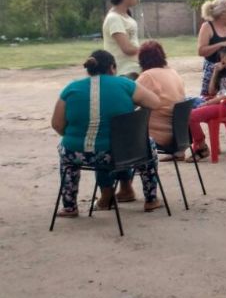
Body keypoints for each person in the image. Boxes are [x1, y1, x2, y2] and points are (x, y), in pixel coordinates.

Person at [51, 50, 163, 217]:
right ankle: (151, 198)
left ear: (89, 69)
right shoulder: (124, 84)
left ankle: (69, 206)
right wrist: (133, 116)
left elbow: (57, 124)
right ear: (112, 67)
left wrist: (78, 137)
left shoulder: (71, 88)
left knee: (69, 156)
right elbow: (155, 102)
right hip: (118, 153)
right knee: (145, 144)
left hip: (75, 152)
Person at [136, 40, 187, 159]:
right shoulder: (173, 73)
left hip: (157, 137)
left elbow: (129, 102)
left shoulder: (147, 76)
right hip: (179, 136)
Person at [102, 0, 141, 79]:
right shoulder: (114, 18)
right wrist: (147, 50)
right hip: (125, 71)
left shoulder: (126, 16)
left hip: (134, 67)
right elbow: (127, 49)